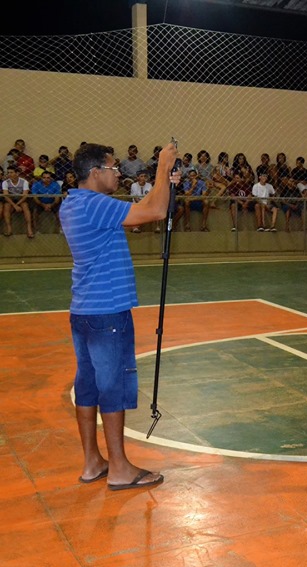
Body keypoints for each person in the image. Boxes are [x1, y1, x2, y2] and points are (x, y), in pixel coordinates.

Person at [59, 141, 178, 491]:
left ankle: (93, 461)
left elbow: (149, 206)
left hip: (83, 309)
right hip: (107, 310)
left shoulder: (73, 203)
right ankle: (120, 468)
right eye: (113, 169)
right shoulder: (96, 204)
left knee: (88, 385)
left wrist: (165, 184)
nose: (118, 174)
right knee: (112, 387)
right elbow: (154, 211)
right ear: (95, 173)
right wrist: (162, 169)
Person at [2, 166, 33, 238]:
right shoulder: (5, 182)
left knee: (25, 206)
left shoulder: (24, 182)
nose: (9, 174)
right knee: (6, 207)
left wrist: (17, 204)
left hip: (21, 200)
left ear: (17, 173)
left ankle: (29, 230)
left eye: (11, 172)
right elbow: (6, 196)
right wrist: (14, 205)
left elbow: (25, 195)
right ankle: (9, 229)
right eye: (8, 172)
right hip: (10, 200)